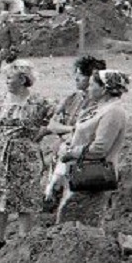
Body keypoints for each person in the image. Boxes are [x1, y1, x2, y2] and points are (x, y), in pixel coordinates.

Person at [0, 60, 55, 250]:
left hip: (26, 156)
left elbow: (56, 120)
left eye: (10, 78)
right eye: (6, 78)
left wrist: (40, 134)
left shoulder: (39, 102)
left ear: (23, 79)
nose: (7, 81)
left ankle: (25, 237)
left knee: (26, 196)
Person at [56, 69, 130, 225]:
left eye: (91, 85)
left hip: (93, 176)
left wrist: (71, 152)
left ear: (104, 89)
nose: (88, 88)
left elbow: (100, 148)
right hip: (79, 172)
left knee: (81, 223)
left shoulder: (114, 111)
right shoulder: (98, 108)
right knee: (69, 220)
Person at [43, 55, 106, 207]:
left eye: (81, 74)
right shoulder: (72, 98)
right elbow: (52, 125)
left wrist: (71, 132)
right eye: (76, 73)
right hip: (64, 151)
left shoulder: (101, 104)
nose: (76, 77)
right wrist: (72, 129)